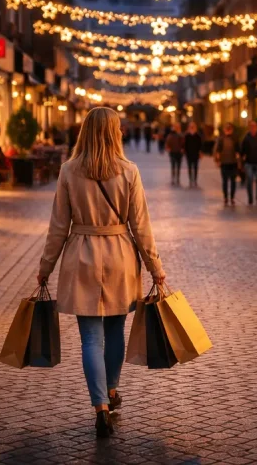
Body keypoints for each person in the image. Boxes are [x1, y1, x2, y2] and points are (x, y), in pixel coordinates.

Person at [38, 107, 166, 439]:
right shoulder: (129, 172)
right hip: (120, 255)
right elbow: (141, 227)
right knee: (114, 332)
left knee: (90, 339)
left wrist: (45, 268)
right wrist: (156, 268)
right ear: (114, 133)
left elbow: (57, 227)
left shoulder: (68, 171)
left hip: (81, 254)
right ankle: (111, 390)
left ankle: (100, 408)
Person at [239, 120, 257, 207]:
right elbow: (242, 151)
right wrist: (242, 161)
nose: (253, 129)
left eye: (254, 127)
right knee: (249, 180)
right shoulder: (246, 138)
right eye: (251, 127)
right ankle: (250, 198)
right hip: (249, 162)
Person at [214, 123, 239, 206]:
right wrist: (218, 160)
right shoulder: (221, 139)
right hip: (224, 163)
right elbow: (218, 151)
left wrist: (238, 160)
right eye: (226, 129)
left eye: (229, 129)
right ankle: (225, 197)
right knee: (225, 181)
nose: (228, 130)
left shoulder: (235, 139)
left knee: (233, 181)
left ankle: (232, 197)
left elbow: (238, 151)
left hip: (233, 163)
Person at [183, 122, 203, 187]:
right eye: (191, 126)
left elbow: (200, 145)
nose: (192, 128)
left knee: (195, 167)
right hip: (189, 154)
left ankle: (195, 180)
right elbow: (185, 145)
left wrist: (200, 152)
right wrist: (185, 152)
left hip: (196, 154)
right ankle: (190, 180)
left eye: (193, 126)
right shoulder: (187, 136)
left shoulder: (198, 136)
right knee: (189, 167)